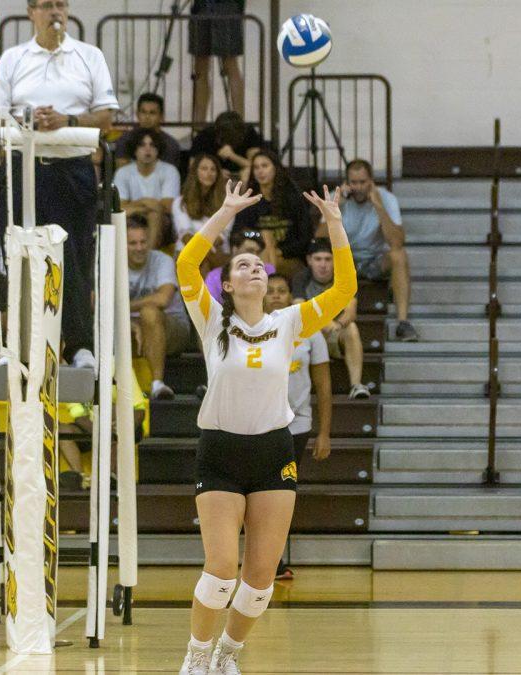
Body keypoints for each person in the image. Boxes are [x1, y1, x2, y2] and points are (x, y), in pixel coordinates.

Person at [173, 181, 355, 675]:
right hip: (220, 450)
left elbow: (344, 290)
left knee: (259, 579)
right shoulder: (213, 321)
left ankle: (228, 654)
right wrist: (225, 213)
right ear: (228, 285)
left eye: (259, 263)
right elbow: (187, 266)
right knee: (220, 569)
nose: (254, 267)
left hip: (273, 451)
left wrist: (334, 223)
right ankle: (196, 655)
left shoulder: (290, 322)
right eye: (242, 265)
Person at [0, 0, 118, 365]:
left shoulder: (89, 56)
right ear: (32, 12)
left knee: (75, 257)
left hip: (71, 168)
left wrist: (68, 120)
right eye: (46, 5)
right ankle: (14, 346)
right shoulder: (12, 59)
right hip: (21, 167)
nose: (55, 12)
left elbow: (107, 116)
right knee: (15, 254)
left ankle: (79, 347)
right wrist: (26, 119)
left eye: (60, 4)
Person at [263, 272, 330, 580]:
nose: (276, 295)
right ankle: (262, 560)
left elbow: (323, 385)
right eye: (271, 291)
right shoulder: (252, 331)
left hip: (297, 426)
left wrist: (324, 432)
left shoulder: (311, 333)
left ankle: (273, 562)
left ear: (291, 296)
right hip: (259, 426)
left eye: (282, 290)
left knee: (281, 491)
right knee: (262, 493)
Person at [337, 159, 418, 341]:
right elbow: (319, 238)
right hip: (344, 261)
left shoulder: (386, 198)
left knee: (399, 255)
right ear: (347, 183)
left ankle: (403, 323)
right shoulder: (339, 199)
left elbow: (396, 242)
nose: (358, 187)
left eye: (363, 182)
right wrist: (336, 207)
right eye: (354, 182)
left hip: (374, 259)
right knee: (322, 259)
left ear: (371, 181)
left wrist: (378, 206)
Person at [293, 238, 369, 399]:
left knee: (352, 328)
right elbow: (299, 308)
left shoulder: (344, 277)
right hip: (310, 333)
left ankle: (356, 385)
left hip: (335, 332)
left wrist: (337, 325)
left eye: (328, 259)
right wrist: (325, 323)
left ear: (335, 261)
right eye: (318, 259)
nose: (323, 264)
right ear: (309, 260)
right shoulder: (301, 278)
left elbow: (351, 312)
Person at [126, 217, 193, 400]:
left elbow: (163, 299)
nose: (139, 248)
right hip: (131, 329)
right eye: (133, 243)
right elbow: (96, 303)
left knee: (149, 313)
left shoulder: (162, 260)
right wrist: (128, 322)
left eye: (143, 242)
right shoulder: (114, 264)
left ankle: (157, 383)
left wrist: (124, 308)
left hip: (173, 328)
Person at [233, 149, 313, 277]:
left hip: (289, 257)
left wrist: (279, 251)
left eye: (265, 166)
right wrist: (258, 241)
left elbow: (305, 237)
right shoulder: (249, 201)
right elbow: (237, 233)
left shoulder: (293, 199)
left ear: (276, 168)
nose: (260, 171)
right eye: (256, 167)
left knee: (269, 263)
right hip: (256, 255)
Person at [115, 129, 182, 249]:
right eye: (142, 145)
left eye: (152, 145)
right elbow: (120, 207)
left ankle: (149, 258)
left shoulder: (170, 170)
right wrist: (147, 204)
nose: (147, 149)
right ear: (135, 150)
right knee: (121, 217)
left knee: (154, 215)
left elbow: (167, 206)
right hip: (132, 216)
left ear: (158, 150)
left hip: (162, 220)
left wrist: (135, 205)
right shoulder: (123, 172)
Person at [188, 0, 245, 125]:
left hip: (225, 7)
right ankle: (199, 124)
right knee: (201, 69)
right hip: (203, 8)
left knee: (230, 65)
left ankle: (238, 122)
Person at [173, 153, 231, 263]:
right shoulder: (180, 202)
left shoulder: (227, 202)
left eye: (213, 170)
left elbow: (222, 235)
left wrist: (204, 250)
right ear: (195, 172)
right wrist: (201, 251)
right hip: (188, 250)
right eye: (204, 169)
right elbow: (185, 234)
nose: (209, 173)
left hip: (217, 251)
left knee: (207, 259)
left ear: (218, 174)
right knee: (197, 260)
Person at [189, 111, 266, 178]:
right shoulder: (205, 136)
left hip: (241, 178)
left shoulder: (250, 134)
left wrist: (232, 156)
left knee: (247, 173)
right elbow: (193, 166)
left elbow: (256, 166)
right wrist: (216, 172)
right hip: (215, 179)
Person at [115, 93, 182, 168]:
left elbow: (169, 175)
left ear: (161, 116)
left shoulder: (170, 144)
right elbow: (122, 173)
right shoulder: (125, 140)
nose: (147, 117)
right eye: (143, 112)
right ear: (137, 114)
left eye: (152, 113)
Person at [205, 227, 272, 302]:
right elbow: (211, 307)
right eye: (250, 250)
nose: (254, 255)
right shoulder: (214, 276)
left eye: (258, 252)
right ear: (235, 249)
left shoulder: (268, 270)